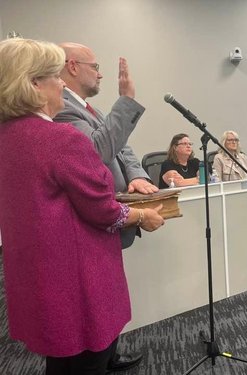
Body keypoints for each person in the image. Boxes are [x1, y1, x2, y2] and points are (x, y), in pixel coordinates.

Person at [0, 38, 164, 375]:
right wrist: (143, 215)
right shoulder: (61, 138)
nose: (60, 82)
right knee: (88, 357)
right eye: (53, 76)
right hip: (77, 274)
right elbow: (102, 209)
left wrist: (133, 177)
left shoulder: (9, 134)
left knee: (62, 355)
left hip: (38, 270)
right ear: (33, 85)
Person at [55, 42, 157, 372]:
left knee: (110, 293)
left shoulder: (91, 109)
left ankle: (109, 353)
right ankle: (100, 356)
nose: (100, 74)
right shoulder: (61, 110)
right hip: (91, 222)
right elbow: (95, 154)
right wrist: (125, 101)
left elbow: (122, 147)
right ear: (72, 66)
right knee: (96, 299)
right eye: (94, 66)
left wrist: (137, 176)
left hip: (110, 216)